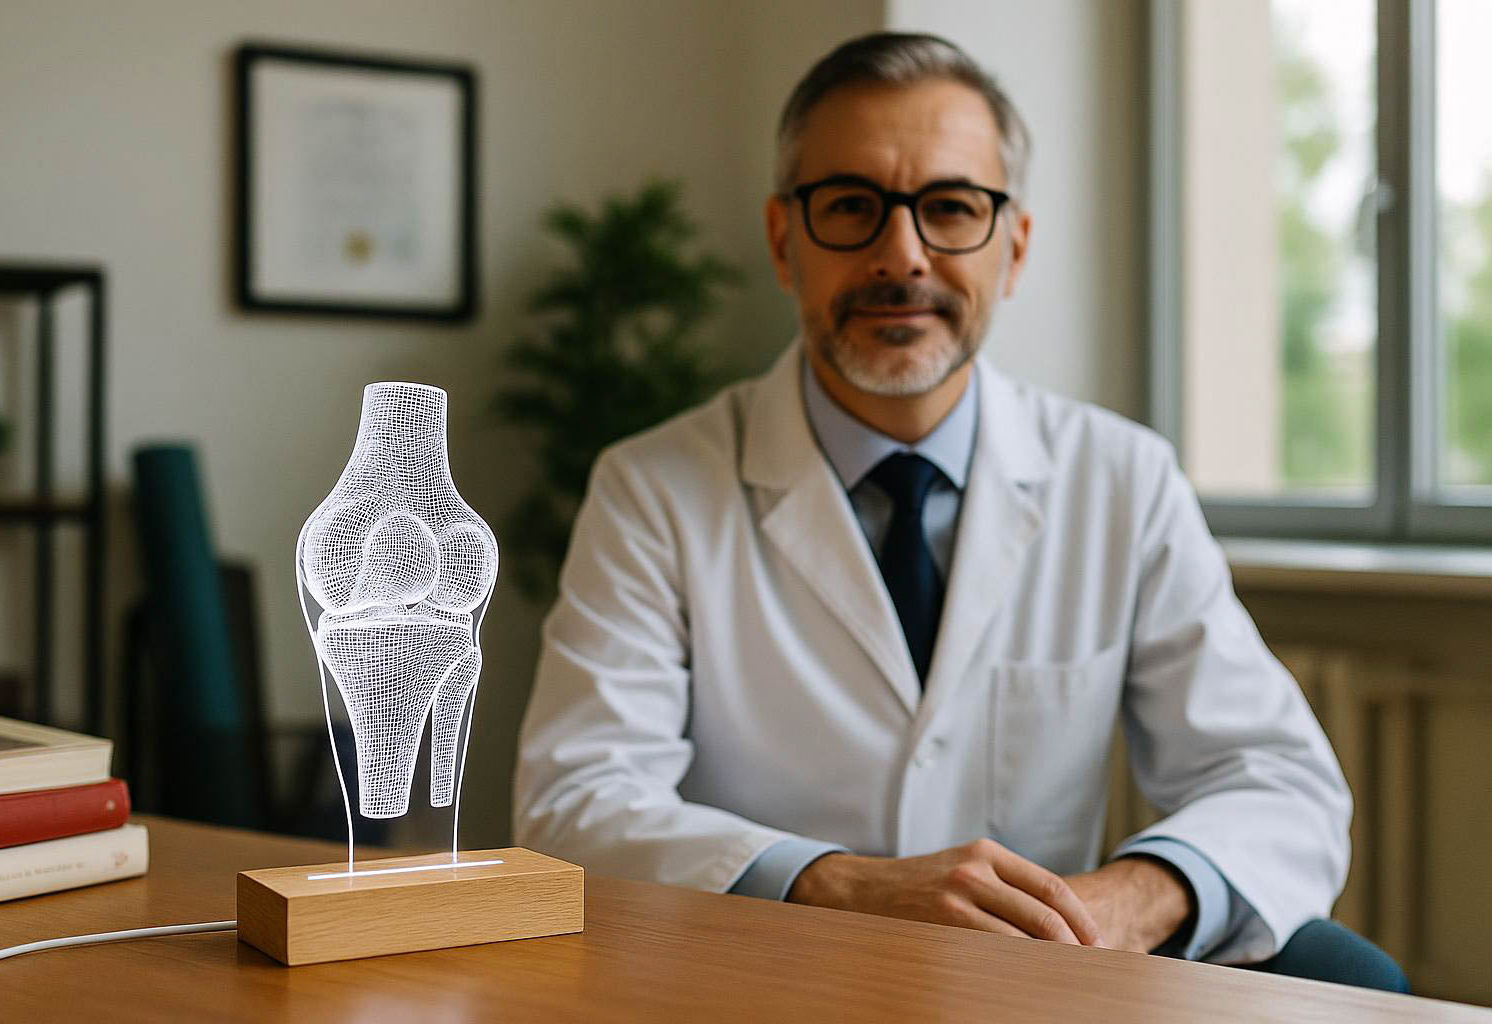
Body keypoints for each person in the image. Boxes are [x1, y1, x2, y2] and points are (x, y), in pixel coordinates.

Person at [514, 31, 1407, 991]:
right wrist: (841, 888)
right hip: (766, 983)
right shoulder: (652, 488)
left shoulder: (1122, 478)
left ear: (1012, 246)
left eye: (949, 208)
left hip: (1033, 989)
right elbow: (575, 803)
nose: (902, 256)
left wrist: (1121, 903)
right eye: (851, 206)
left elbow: (1281, 782)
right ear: (784, 240)